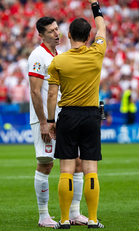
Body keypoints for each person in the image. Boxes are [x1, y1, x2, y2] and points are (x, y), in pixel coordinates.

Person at [47, 0, 106, 229]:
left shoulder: (58, 62)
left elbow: (52, 95)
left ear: (68, 35)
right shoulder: (97, 52)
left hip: (68, 115)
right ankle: (92, 219)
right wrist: (94, 4)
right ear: (89, 36)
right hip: (92, 115)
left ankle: (63, 220)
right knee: (90, 169)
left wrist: (51, 120)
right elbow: (102, 26)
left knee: (66, 170)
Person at [27, 17, 88, 227]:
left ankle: (75, 213)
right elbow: (35, 91)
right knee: (46, 164)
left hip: (63, 119)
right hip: (44, 119)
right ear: (41, 35)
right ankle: (43, 216)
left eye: (57, 29)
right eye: (51, 31)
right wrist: (44, 122)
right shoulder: (37, 56)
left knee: (77, 162)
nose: (56, 33)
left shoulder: (59, 56)